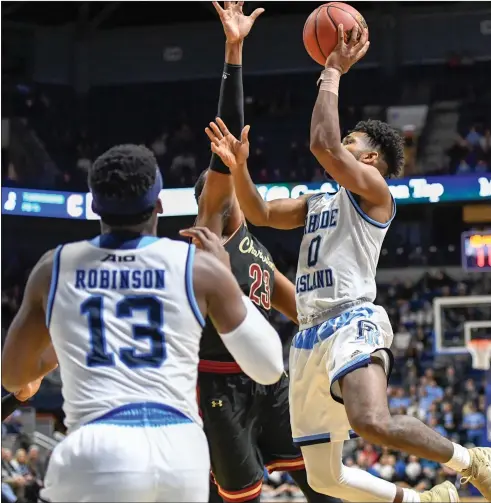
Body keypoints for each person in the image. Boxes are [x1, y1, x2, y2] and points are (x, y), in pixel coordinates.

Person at [204, 21, 491, 503]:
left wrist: (332, 71)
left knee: (370, 421)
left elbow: (324, 145)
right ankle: (424, 500)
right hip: (308, 334)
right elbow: (257, 212)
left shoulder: (375, 194)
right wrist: (240, 169)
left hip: (351, 318)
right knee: (323, 478)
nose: (344, 147)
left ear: (372, 159)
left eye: (354, 143)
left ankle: (472, 460)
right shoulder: (319, 200)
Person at [1, 143, 285, 502]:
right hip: (181, 452)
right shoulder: (196, 266)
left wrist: (52, 356)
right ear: (160, 205)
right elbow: (270, 367)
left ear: (94, 206)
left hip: (98, 446)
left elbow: (12, 376)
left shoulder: (55, 267)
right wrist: (227, 278)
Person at [192, 3, 338, 503]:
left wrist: (338, 344)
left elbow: (297, 306)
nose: (230, 184)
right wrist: (234, 49)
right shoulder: (207, 228)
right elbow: (223, 139)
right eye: (221, 183)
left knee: (319, 477)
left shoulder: (253, 243)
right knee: (239, 496)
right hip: (219, 386)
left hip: (269, 379)